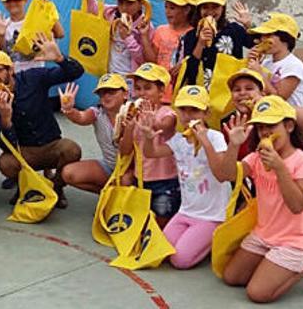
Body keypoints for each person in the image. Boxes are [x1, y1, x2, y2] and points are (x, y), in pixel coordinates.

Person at [216, 96, 303, 301]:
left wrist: (279, 167)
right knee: (232, 277)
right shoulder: (258, 157)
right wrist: (234, 146)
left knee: (257, 293)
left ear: (288, 126)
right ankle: (274, 264)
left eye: (271, 125)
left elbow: (297, 205)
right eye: (261, 127)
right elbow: (226, 175)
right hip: (265, 233)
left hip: (295, 239)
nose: (265, 132)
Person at [221, 68, 303, 248]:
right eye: (237, 89)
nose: (243, 93)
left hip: (293, 186)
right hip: (260, 190)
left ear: (262, 92)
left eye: (249, 88)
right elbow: (228, 173)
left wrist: (268, 104)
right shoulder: (229, 124)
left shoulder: (281, 116)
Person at [0, 33, 84, 208]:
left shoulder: (33, 77)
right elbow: (6, 147)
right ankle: (25, 186)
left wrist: (59, 58)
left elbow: (76, 72)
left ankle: (57, 187)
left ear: (10, 70)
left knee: (72, 149)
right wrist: (6, 118)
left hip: (51, 145)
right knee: (5, 164)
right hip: (24, 152)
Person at [137, 86, 232, 269]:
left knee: (180, 260)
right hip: (186, 211)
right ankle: (197, 240)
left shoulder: (215, 137)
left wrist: (204, 142)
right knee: (161, 252)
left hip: (212, 215)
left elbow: (221, 174)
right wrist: (148, 137)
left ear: (206, 113)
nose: (188, 116)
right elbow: (152, 153)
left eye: (194, 110)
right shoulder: (179, 140)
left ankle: (213, 238)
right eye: (183, 110)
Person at [121, 62, 180, 227]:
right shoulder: (133, 115)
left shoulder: (168, 113)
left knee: (161, 222)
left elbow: (165, 126)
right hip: (140, 178)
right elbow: (125, 151)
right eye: (138, 88)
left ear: (161, 91)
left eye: (148, 88)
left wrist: (150, 121)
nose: (142, 93)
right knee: (139, 222)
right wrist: (129, 127)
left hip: (165, 180)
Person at [59, 74, 129, 193]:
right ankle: (107, 194)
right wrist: (69, 110)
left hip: (132, 170)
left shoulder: (133, 111)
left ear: (125, 94)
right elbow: (81, 117)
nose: (106, 96)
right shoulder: (97, 113)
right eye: (102, 93)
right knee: (68, 173)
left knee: (126, 180)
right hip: (109, 166)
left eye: (111, 92)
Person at [177, 0, 253, 90]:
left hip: (229, 92)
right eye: (205, 7)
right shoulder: (191, 36)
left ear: (223, 8)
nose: (210, 12)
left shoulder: (234, 30)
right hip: (201, 92)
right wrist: (200, 43)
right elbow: (189, 70)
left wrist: (248, 25)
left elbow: (256, 43)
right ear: (199, 10)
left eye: (215, 7)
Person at [84, 0, 154, 76]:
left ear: (140, 3)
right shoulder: (111, 13)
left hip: (132, 78)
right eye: (120, 2)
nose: (124, 7)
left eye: (130, 2)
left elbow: (143, 60)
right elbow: (93, 10)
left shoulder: (145, 25)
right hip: (111, 75)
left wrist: (128, 38)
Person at [0, 0, 66, 73]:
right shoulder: (2, 25)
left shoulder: (37, 21)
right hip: (14, 77)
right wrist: (1, 35)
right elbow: (2, 54)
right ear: (3, 3)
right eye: (8, 0)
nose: (13, 3)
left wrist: (47, 11)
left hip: (37, 75)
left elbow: (60, 34)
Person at [248, 13, 303, 107]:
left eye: (268, 35)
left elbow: (279, 99)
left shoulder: (293, 65)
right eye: (262, 36)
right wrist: (251, 62)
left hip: (287, 116)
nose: (263, 39)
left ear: (285, 37)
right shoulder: (266, 63)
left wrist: (259, 72)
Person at [153, 0, 197, 101]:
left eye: (172, 8)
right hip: (161, 93)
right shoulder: (160, 31)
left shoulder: (195, 34)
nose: (168, 12)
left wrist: (185, 64)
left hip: (184, 93)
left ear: (187, 10)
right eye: (166, 7)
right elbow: (152, 59)